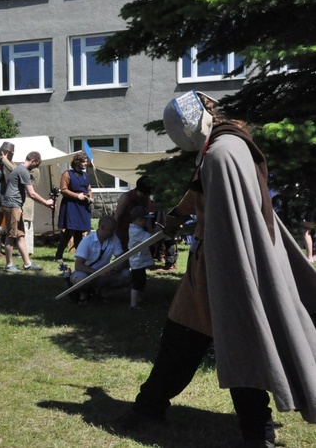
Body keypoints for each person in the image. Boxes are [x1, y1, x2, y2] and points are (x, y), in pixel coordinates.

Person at [116, 91, 316, 446]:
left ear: (190, 126)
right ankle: (150, 405)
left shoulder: (222, 153)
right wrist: (177, 217)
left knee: (241, 345)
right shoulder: (221, 146)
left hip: (229, 271)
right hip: (209, 271)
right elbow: (201, 193)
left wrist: (226, 271)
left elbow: (232, 222)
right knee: (180, 340)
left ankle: (258, 434)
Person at [0, 151, 55, 272]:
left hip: (16, 206)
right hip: (12, 206)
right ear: (33, 161)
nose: (36, 168)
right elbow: (32, 193)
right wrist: (46, 202)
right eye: (36, 165)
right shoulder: (23, 171)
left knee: (20, 235)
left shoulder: (20, 169)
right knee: (11, 236)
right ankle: (9, 265)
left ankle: (27, 264)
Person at [70, 216, 130, 304]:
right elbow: (78, 265)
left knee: (127, 274)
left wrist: (115, 268)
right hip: (86, 273)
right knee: (80, 281)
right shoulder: (87, 241)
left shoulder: (114, 239)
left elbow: (121, 259)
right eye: (111, 229)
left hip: (105, 274)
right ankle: (84, 293)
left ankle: (102, 291)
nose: (113, 232)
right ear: (102, 227)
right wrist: (97, 272)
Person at [54, 151, 93, 262]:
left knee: (80, 232)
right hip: (71, 204)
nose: (86, 164)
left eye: (86, 162)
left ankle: (80, 257)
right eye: (84, 161)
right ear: (77, 161)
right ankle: (59, 255)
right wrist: (77, 195)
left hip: (83, 205)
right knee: (69, 230)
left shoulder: (86, 175)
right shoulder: (67, 174)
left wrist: (90, 197)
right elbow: (64, 189)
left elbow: (89, 189)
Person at [127, 205, 156, 310]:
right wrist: (155, 231)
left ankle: (139, 299)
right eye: (145, 220)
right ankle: (133, 304)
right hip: (137, 262)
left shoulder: (135, 229)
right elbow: (150, 239)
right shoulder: (136, 231)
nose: (146, 223)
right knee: (138, 283)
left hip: (139, 262)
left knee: (141, 282)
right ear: (140, 220)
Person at [0, 142, 15, 257]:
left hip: (5, 200)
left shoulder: (4, 168)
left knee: (4, 227)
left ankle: (1, 250)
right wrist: (2, 201)